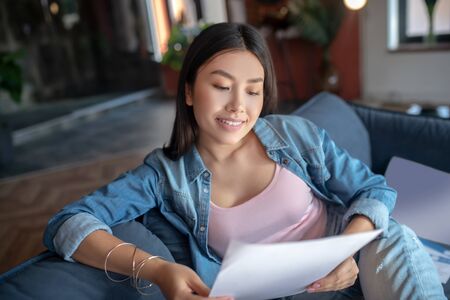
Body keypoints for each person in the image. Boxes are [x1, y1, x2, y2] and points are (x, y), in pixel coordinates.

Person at [43, 22, 445, 300]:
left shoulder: (293, 135)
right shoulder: (163, 175)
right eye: (221, 86)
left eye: (253, 91)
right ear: (188, 91)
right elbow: (67, 224)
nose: (239, 106)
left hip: (358, 261)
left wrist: (345, 249)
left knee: (394, 235)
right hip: (288, 293)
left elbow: (373, 188)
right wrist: (158, 270)